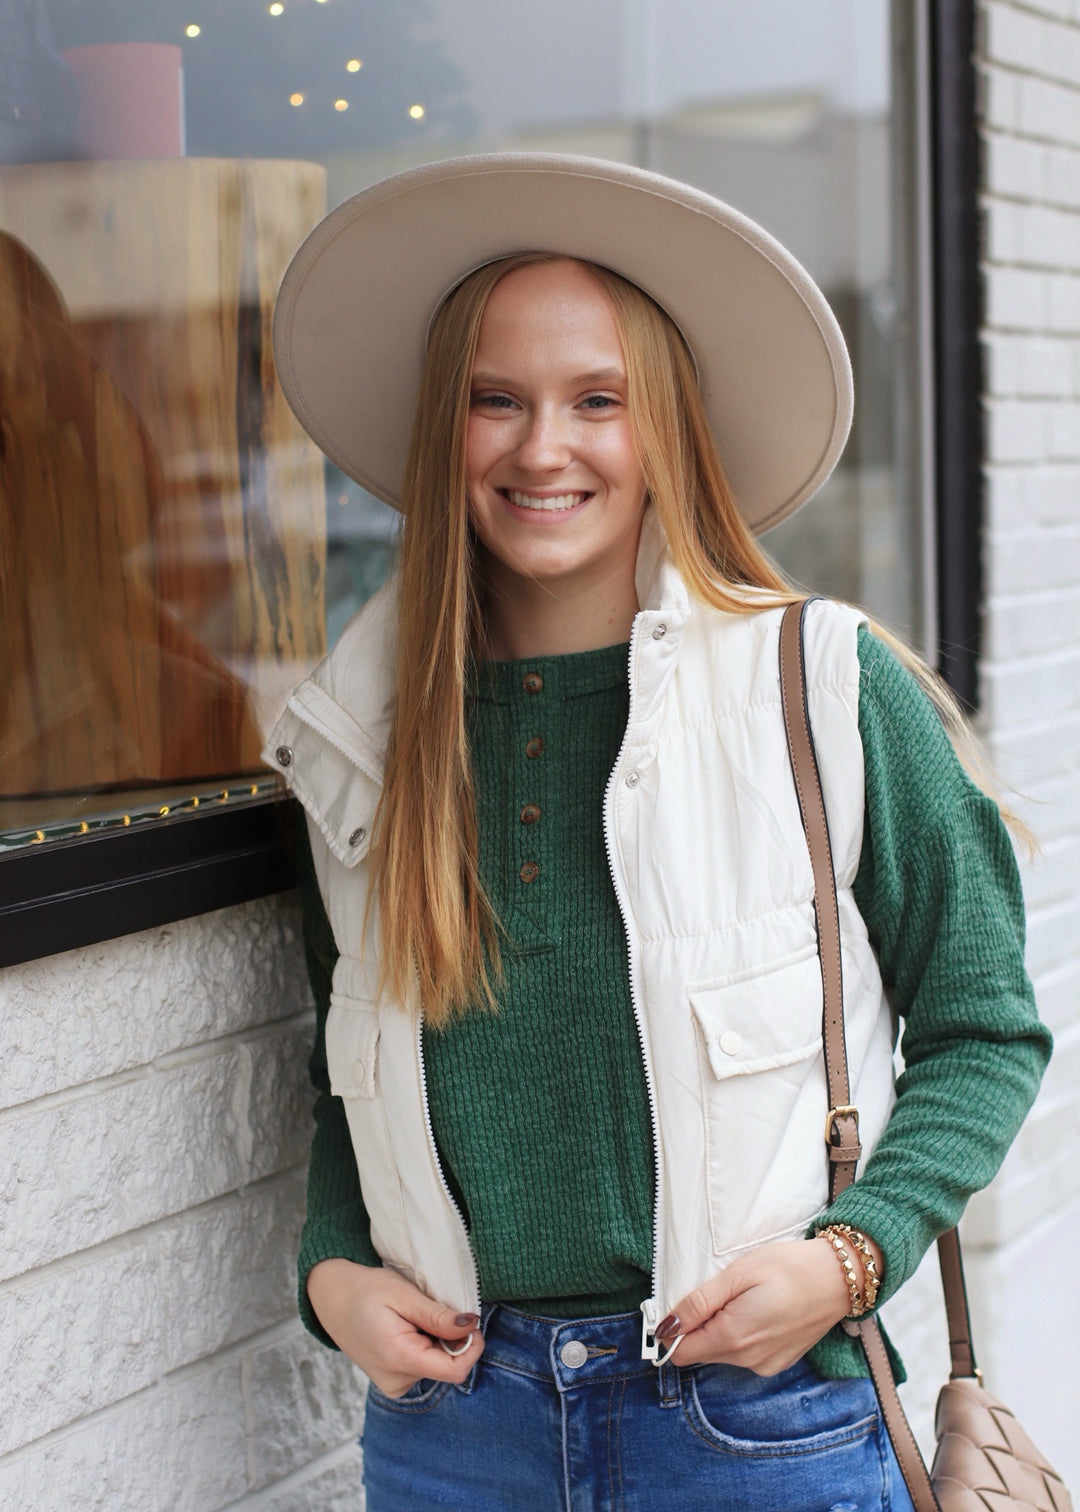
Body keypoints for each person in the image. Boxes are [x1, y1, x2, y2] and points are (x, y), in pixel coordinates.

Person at [264, 155, 1051, 1511]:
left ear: (666, 423)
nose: (541, 447)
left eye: (597, 401)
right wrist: (334, 1269)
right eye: (494, 400)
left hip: (756, 1422)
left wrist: (851, 1257)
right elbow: (360, 1073)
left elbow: (985, 1025)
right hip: (457, 1435)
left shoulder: (821, 685)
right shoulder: (360, 739)